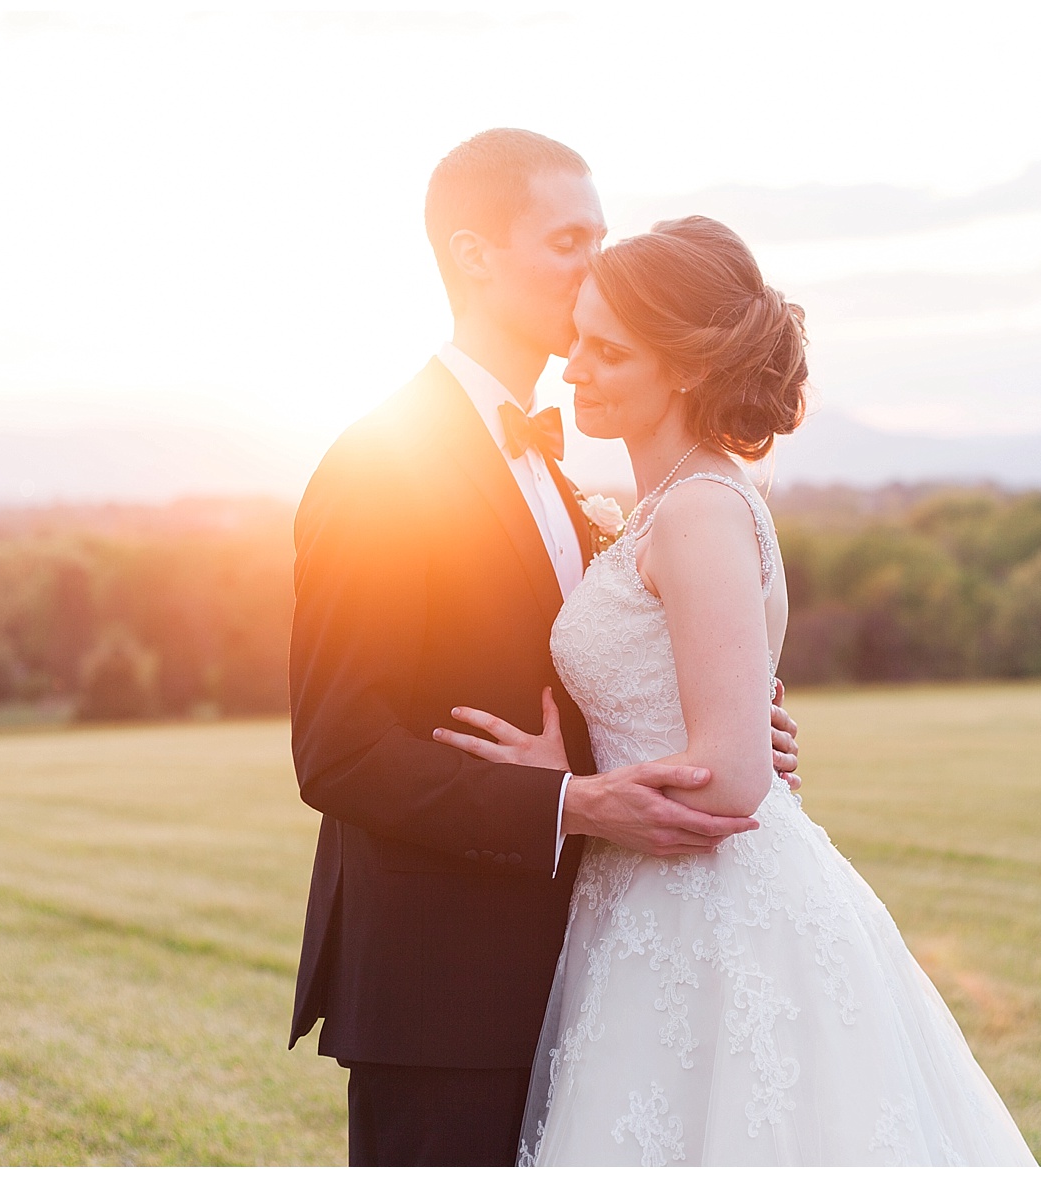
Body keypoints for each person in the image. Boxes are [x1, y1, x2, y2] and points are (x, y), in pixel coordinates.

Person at [442, 215, 1038, 1165]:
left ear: (680, 366)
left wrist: (568, 794)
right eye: (580, 339)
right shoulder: (666, 508)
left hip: (712, 914)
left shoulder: (698, 512)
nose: (573, 368)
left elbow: (727, 779)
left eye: (607, 351)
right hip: (646, 901)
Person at [286, 130, 802, 1167]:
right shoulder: (381, 461)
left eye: (601, 236)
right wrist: (571, 801)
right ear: (476, 256)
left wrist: (715, 725)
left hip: (594, 966)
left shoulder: (580, 479)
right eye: (570, 239)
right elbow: (339, 747)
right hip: (444, 991)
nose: (596, 265)